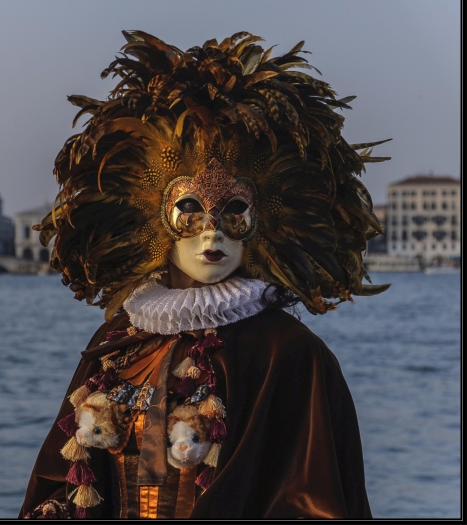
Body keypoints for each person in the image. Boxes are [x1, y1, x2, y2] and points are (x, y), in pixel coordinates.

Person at [19, 31, 389, 519]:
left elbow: (313, 501)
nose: (212, 231)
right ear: (156, 217)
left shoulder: (290, 354)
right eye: (191, 209)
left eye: (234, 210)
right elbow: (66, 481)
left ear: (262, 221)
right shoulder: (119, 340)